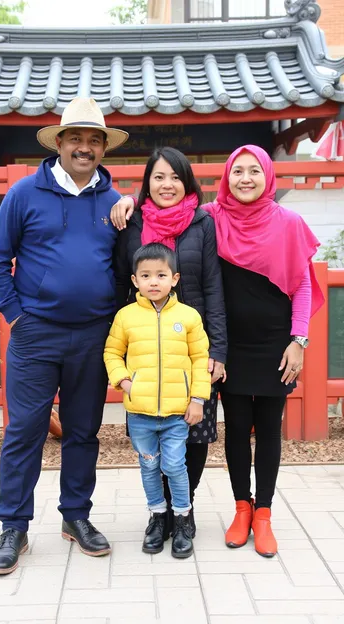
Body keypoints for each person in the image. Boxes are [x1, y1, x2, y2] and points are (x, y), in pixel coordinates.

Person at [111, 144, 324, 558]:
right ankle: (227, 509)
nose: (245, 179)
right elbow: (139, 248)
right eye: (237, 171)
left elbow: (298, 283)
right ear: (225, 178)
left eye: (254, 171)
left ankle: (258, 514)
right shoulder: (210, 217)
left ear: (267, 175)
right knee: (229, 431)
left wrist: (299, 341)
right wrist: (122, 199)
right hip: (200, 345)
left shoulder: (276, 222)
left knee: (252, 431)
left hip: (254, 343)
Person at [0, 97, 129, 574]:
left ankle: (76, 517)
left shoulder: (114, 203)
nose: (84, 147)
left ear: (103, 148)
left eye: (93, 140)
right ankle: (14, 526)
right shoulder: (26, 194)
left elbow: (130, 263)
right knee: (24, 431)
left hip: (93, 335)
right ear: (59, 143)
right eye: (76, 139)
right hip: (35, 333)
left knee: (84, 432)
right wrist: (16, 316)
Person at [112, 147, 227, 537]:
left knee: (193, 435)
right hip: (144, 345)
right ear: (146, 182)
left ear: (187, 181)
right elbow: (118, 282)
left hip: (191, 348)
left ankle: (184, 510)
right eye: (158, 177)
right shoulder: (130, 221)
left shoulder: (202, 222)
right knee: (149, 438)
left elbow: (214, 287)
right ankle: (157, 513)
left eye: (175, 177)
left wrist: (219, 351)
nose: (167, 185)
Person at [104, 243, 211, 558]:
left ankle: (181, 519)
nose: (154, 281)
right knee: (149, 467)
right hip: (140, 413)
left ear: (174, 278)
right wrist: (123, 379)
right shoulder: (126, 317)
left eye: (161, 275)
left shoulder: (188, 317)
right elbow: (112, 351)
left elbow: (199, 358)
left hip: (178, 412)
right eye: (146, 275)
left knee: (175, 466)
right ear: (135, 280)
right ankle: (157, 517)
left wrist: (198, 400)